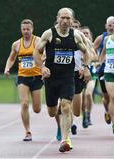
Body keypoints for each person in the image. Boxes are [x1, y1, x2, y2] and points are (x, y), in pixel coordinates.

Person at [33, 8, 90, 152]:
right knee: (52, 112)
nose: (65, 21)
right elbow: (36, 52)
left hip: (68, 77)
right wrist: (42, 67)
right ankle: (57, 109)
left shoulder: (76, 35)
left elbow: (86, 52)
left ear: (72, 20)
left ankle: (65, 140)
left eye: (68, 18)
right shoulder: (49, 34)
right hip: (51, 78)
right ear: (57, 18)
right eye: (62, 18)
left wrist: (86, 67)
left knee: (66, 106)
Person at [4, 19, 43, 141]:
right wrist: (7, 68)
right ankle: (27, 131)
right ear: (21, 30)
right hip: (22, 77)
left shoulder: (38, 41)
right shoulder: (16, 44)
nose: (26, 31)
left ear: (32, 29)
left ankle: (29, 127)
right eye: (24, 29)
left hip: (37, 77)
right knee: (24, 103)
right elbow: (11, 58)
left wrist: (44, 65)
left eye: (28, 29)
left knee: (37, 109)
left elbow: (45, 54)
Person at [93, 16, 114, 124]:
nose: (111, 27)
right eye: (109, 25)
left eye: (113, 24)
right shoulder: (101, 38)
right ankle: (107, 110)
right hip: (103, 69)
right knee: (106, 96)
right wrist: (97, 61)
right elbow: (91, 51)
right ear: (106, 26)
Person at [81, 26, 98, 128]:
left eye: (87, 33)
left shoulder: (92, 46)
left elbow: (96, 57)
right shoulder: (78, 45)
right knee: (82, 98)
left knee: (88, 94)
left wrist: (88, 58)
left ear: (90, 35)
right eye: (83, 33)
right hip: (81, 74)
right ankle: (84, 116)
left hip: (92, 75)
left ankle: (88, 114)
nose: (85, 35)